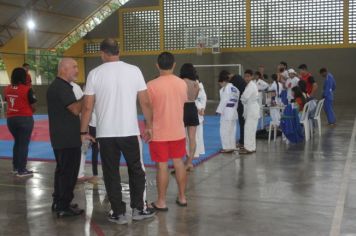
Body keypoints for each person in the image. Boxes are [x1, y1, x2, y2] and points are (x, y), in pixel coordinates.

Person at [80, 38, 155, 224]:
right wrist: (149, 126)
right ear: (118, 51)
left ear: (102, 53)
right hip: (129, 131)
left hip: (106, 134)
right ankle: (138, 209)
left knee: (111, 172)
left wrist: (83, 132)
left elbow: (87, 106)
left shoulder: (94, 74)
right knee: (136, 170)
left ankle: (118, 212)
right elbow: (145, 102)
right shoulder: (134, 70)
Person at [147, 52, 188, 211]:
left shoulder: (151, 85)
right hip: (177, 131)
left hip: (159, 133)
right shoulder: (182, 84)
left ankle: (161, 201)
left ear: (157, 65)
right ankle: (182, 197)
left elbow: (148, 109)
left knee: (162, 166)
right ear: (174, 64)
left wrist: (148, 127)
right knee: (179, 163)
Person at [47, 58, 84, 217]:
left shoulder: (59, 86)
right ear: (63, 69)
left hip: (63, 137)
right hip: (66, 138)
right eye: (74, 67)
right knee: (68, 172)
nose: (77, 70)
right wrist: (87, 96)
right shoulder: (61, 87)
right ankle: (63, 206)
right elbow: (76, 109)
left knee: (62, 171)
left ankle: (60, 202)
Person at [4, 67, 37, 177]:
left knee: (17, 142)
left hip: (11, 120)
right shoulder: (27, 89)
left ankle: (16, 167)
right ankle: (22, 170)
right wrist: (30, 110)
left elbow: (7, 101)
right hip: (24, 119)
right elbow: (34, 106)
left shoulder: (7, 88)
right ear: (23, 77)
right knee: (23, 144)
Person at [180, 63, 200, 171]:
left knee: (180, 137)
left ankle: (181, 160)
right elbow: (195, 97)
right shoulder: (196, 83)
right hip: (192, 107)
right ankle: (190, 162)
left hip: (183, 108)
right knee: (192, 138)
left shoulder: (180, 82)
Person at [216, 73, 239, 153]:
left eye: (220, 83)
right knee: (232, 130)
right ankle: (232, 146)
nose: (220, 85)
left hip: (226, 112)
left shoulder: (227, 89)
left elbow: (224, 100)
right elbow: (237, 101)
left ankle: (227, 147)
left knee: (224, 130)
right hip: (233, 111)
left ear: (223, 82)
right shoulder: (235, 89)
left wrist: (218, 111)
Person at [240, 69, 260, 154]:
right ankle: (251, 147)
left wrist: (242, 98)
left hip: (252, 108)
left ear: (252, 77)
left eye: (248, 76)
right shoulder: (250, 85)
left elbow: (244, 97)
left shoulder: (251, 85)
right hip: (251, 108)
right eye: (245, 76)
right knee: (251, 129)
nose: (246, 78)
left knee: (249, 129)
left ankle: (248, 148)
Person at [229, 72, 247, 149]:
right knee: (243, 124)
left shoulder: (235, 82)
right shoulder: (241, 81)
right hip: (243, 105)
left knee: (242, 123)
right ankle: (243, 141)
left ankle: (242, 142)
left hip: (241, 105)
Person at [194, 78, 207, 157]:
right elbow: (203, 99)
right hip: (199, 111)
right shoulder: (201, 87)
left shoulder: (197, 86)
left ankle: (195, 152)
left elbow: (195, 99)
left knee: (194, 134)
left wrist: (200, 109)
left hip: (196, 111)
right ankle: (199, 150)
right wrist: (202, 109)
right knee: (198, 133)